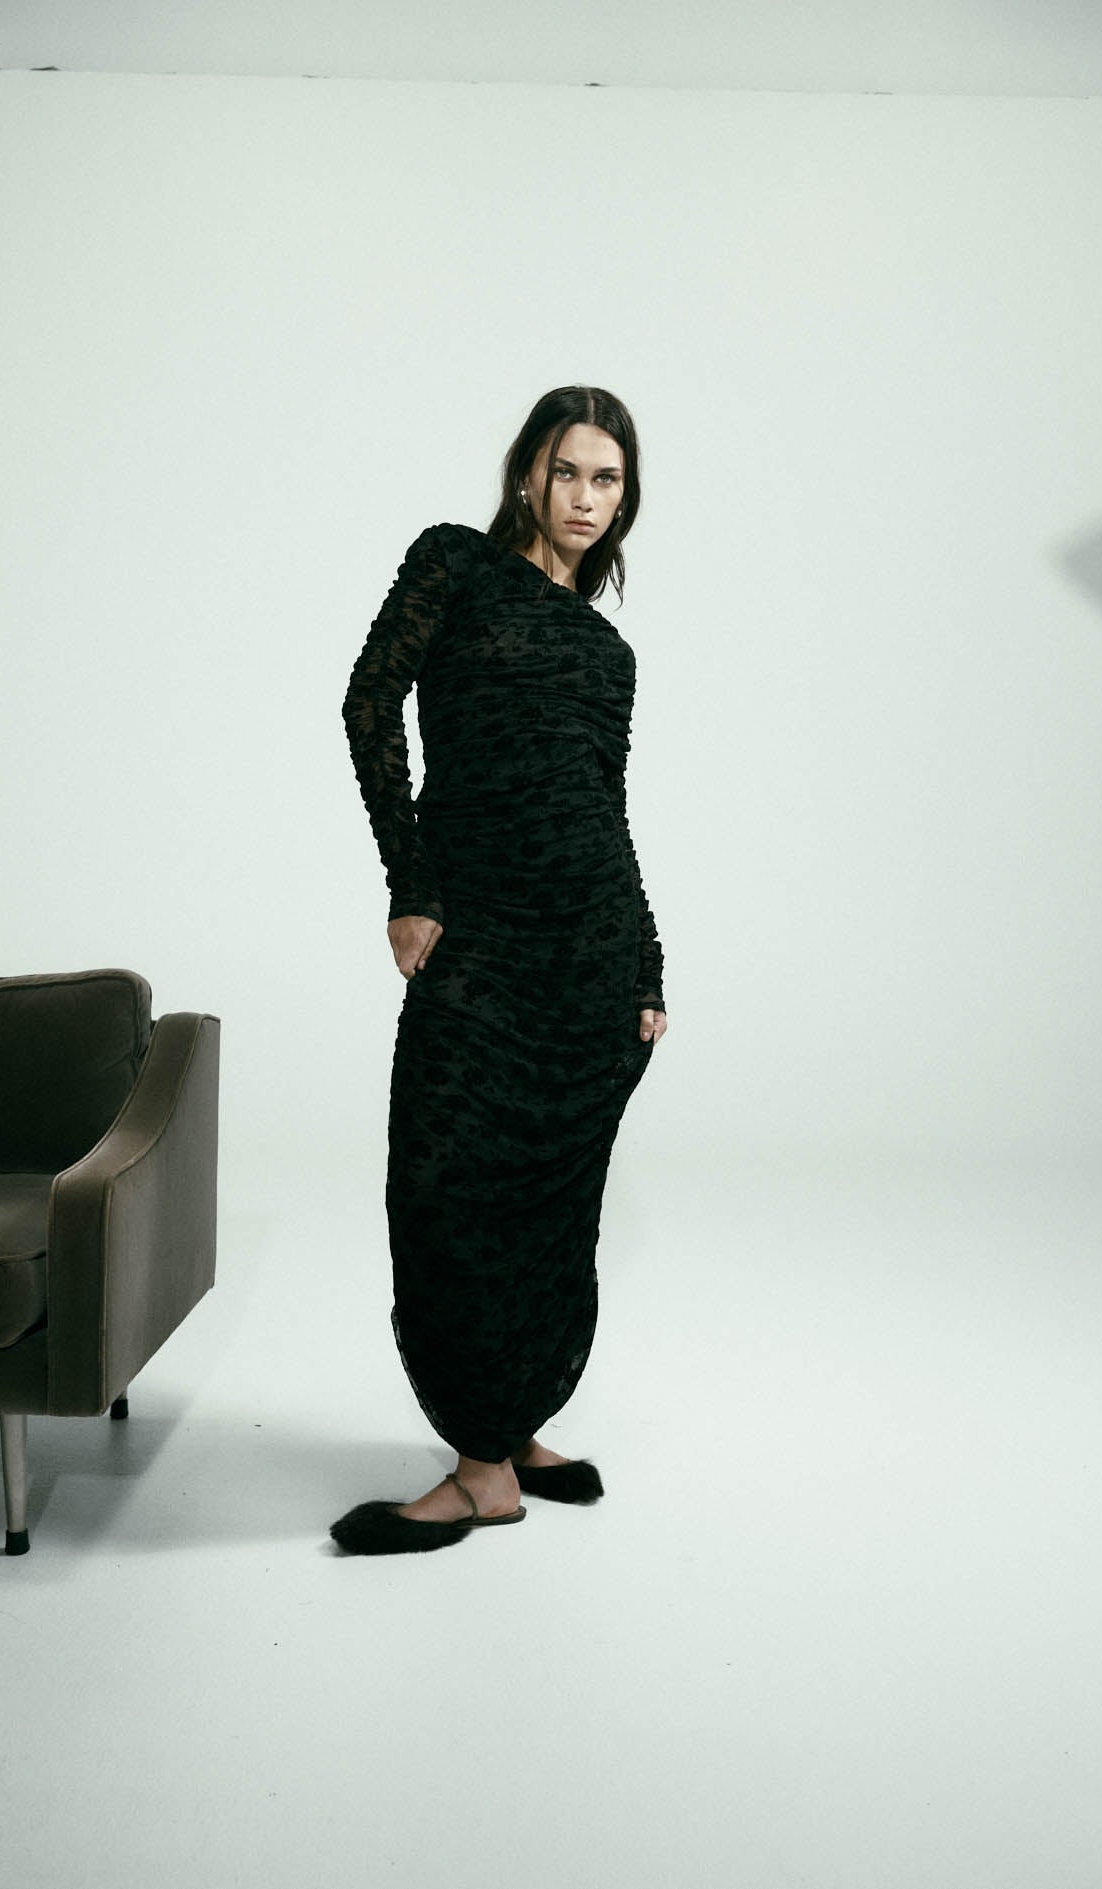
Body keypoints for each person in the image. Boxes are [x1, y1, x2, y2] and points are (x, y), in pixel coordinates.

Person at [332, 384, 667, 1555]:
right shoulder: (455, 565)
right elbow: (369, 701)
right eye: (567, 470)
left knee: (551, 1205)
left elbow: (605, 808)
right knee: (447, 1188)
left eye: (606, 479)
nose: (584, 497)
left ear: (624, 497)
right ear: (529, 471)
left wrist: (647, 964)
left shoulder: (610, 652)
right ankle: (480, 1454)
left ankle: (506, 1439)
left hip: (592, 949)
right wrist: (410, 881)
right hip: (480, 932)